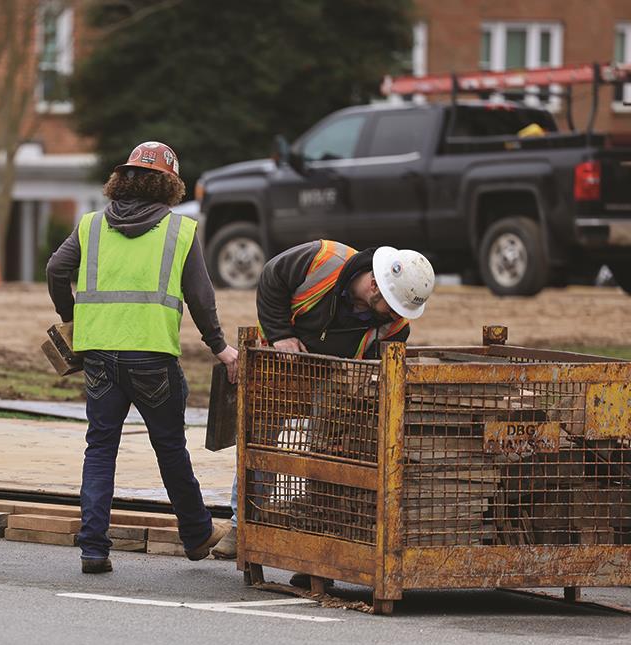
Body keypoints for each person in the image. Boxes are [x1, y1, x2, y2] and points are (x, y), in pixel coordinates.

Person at [47, 141, 237, 575]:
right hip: (153, 357)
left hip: (98, 354)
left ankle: (93, 549)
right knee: (169, 446)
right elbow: (201, 298)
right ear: (168, 186)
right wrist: (220, 347)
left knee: (100, 447)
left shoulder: (91, 225)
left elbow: (57, 270)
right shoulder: (180, 231)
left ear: (123, 180)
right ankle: (195, 534)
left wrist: (70, 317)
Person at [235, 239, 435, 583]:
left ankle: (317, 556)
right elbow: (271, 276)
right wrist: (280, 333)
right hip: (286, 359)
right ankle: (244, 528)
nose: (396, 315)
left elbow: (375, 379)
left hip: (337, 382)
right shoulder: (322, 259)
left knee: (326, 457)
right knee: (261, 443)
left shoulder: (395, 327)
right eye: (393, 306)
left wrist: (352, 420)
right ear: (374, 285)